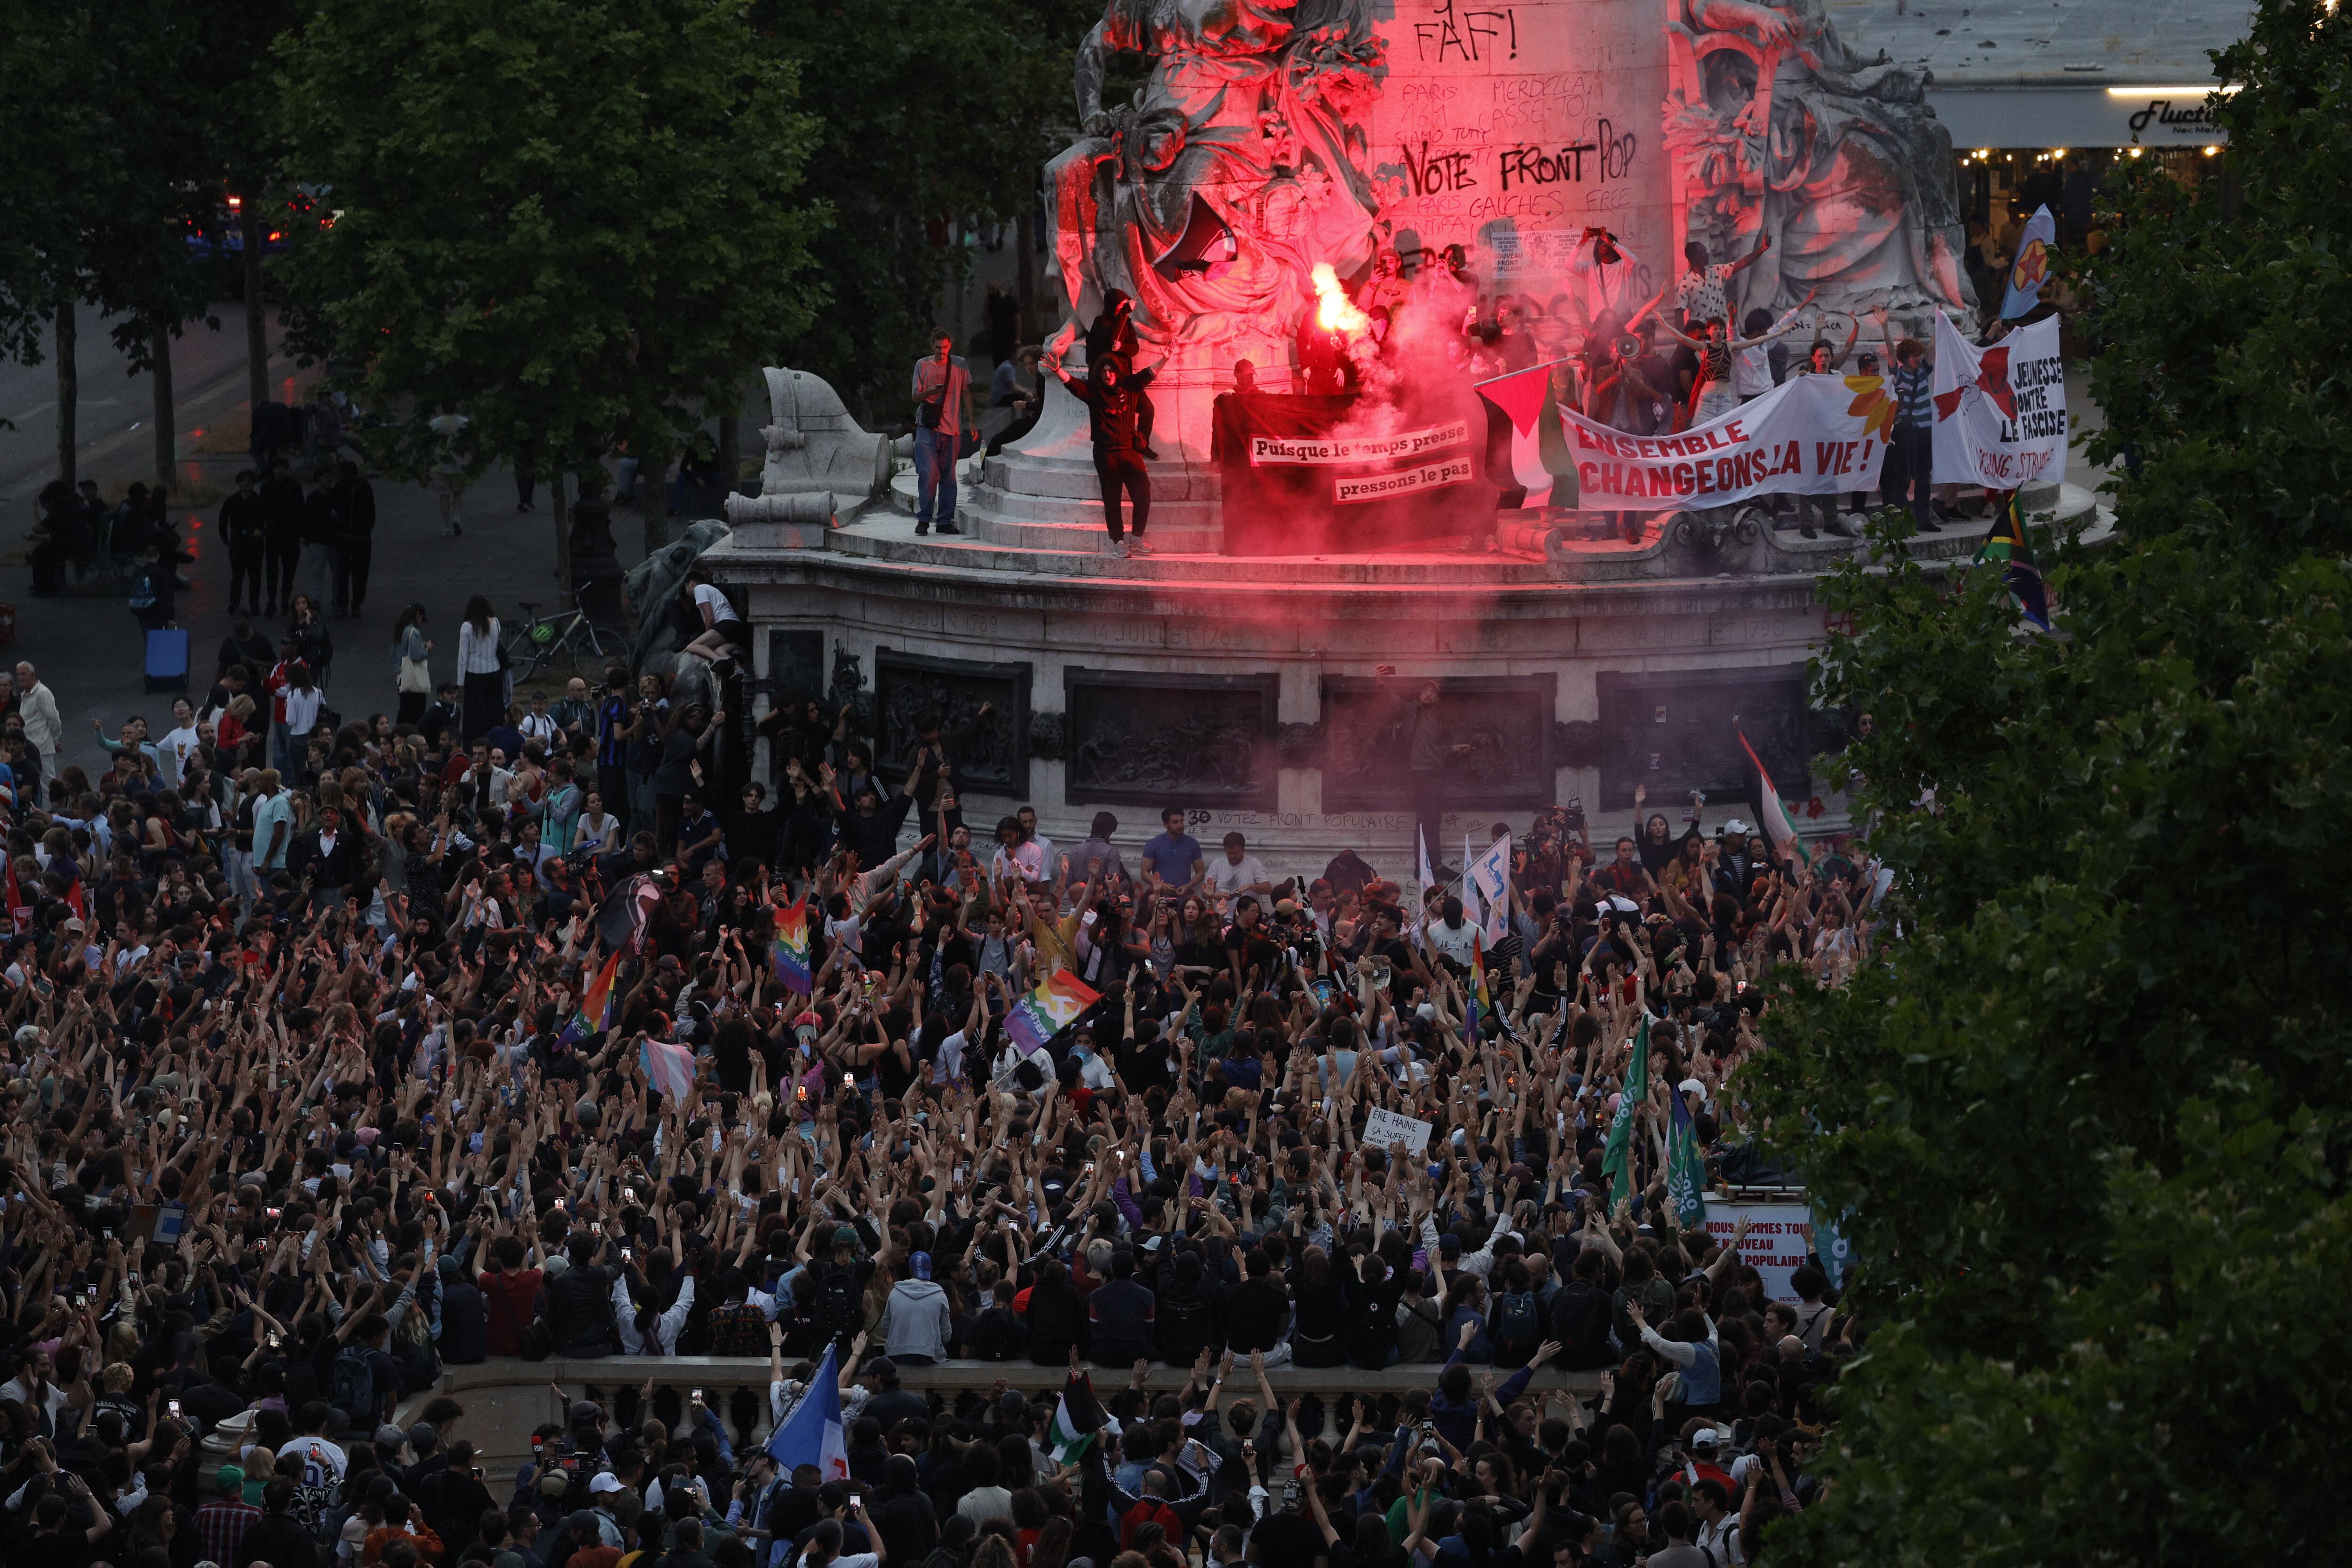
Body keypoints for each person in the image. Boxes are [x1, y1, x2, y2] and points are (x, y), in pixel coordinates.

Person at [1046, 347, 1158, 558]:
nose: (1108, 375)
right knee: (1112, 499)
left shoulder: (1130, 389)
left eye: (1111, 371)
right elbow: (1073, 385)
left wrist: (1165, 359)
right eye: (1104, 371)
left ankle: (1137, 538)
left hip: (1129, 451)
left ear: (1118, 372)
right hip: (1106, 454)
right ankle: (1118, 542)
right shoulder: (1094, 393)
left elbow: (1147, 375)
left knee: (1143, 495)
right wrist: (1057, 369)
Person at [911, 329, 969, 537]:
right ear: (932, 346)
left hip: (952, 429)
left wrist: (971, 422)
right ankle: (924, 519)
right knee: (928, 474)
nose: (942, 352)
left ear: (950, 346)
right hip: (927, 427)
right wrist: (931, 392)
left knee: (949, 477)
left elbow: (966, 392)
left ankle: (945, 520)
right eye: (938, 347)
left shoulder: (959, 364)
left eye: (945, 347)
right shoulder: (923, 365)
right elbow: (915, 397)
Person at [222, 470, 268, 615]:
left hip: (255, 544)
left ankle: (254, 604)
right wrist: (225, 539)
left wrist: (261, 533)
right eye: (244, 481)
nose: (247, 483)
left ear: (254, 483)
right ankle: (234, 603)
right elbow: (223, 520)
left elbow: (268, 520)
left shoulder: (259, 501)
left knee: (255, 575)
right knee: (237, 575)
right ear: (239, 483)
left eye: (249, 481)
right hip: (238, 543)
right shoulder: (232, 501)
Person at [458, 597, 504, 742]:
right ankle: (496, 741)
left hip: (474, 674)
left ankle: (475, 743)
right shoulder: (496, 622)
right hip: (495, 671)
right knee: (495, 710)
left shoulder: (467, 627)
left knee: (475, 714)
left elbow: (463, 657)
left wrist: (460, 682)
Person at [334, 460, 377, 619]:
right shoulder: (340, 487)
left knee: (358, 572)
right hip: (346, 535)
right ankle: (344, 603)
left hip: (359, 536)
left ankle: (355, 603)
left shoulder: (363, 487)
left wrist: (367, 528)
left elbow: (371, 510)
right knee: (344, 573)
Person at [393, 605, 433, 727]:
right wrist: (427, 648)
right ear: (418, 615)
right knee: (416, 712)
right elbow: (417, 656)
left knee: (404, 709)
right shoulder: (413, 632)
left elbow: (395, 653)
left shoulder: (400, 630)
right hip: (414, 679)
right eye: (421, 618)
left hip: (402, 675)